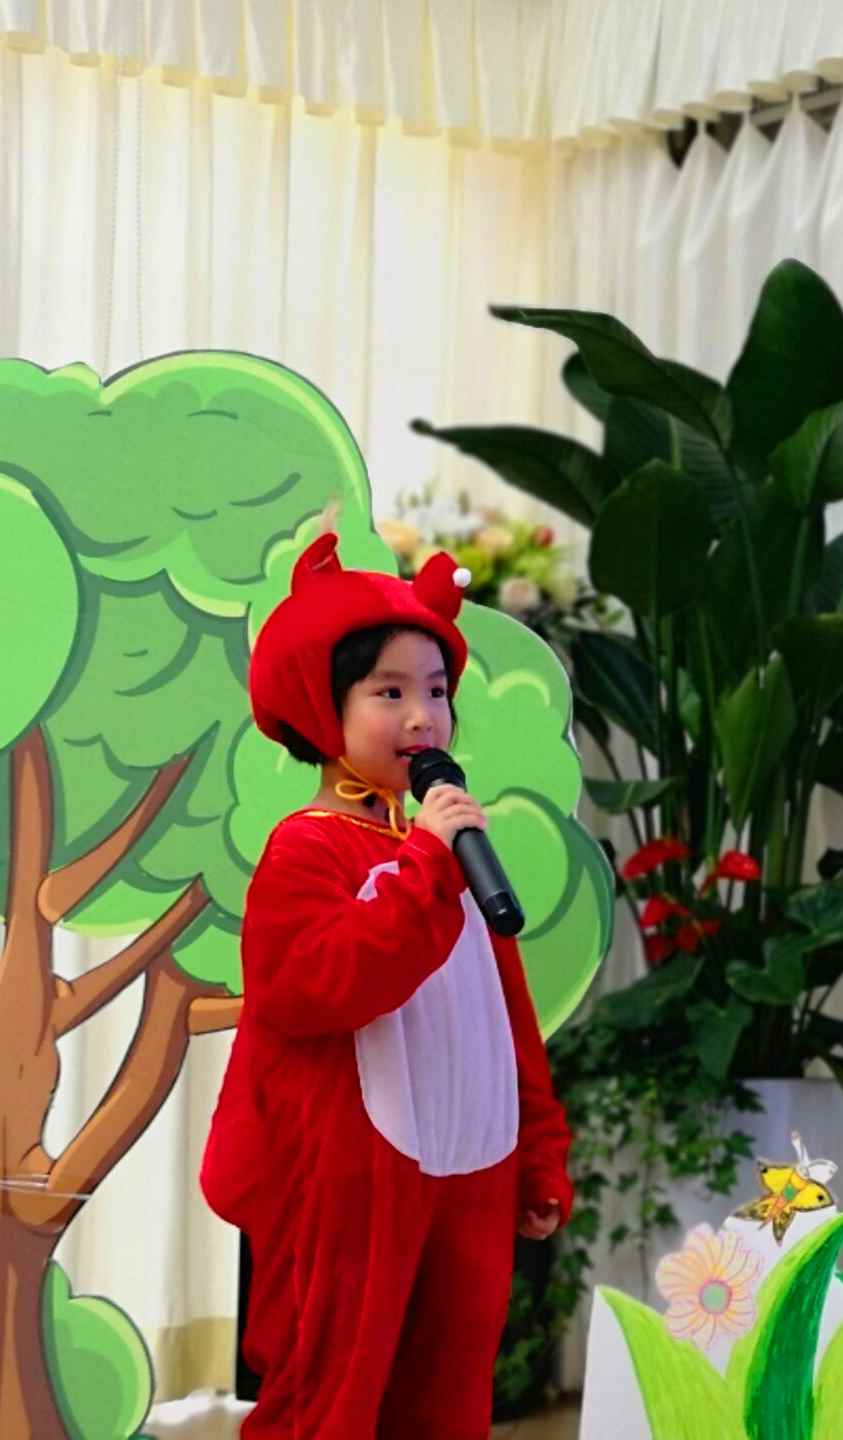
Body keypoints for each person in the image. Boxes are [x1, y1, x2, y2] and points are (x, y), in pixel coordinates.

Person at [201, 534, 572, 1437]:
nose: (423, 718)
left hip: (469, 1163)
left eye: (437, 692)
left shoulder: (449, 851)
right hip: (354, 1177)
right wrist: (425, 868)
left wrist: (536, 1151)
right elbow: (318, 987)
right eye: (390, 693)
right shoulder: (309, 847)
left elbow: (504, 1022)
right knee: (332, 1390)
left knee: (448, 1393)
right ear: (323, 708)